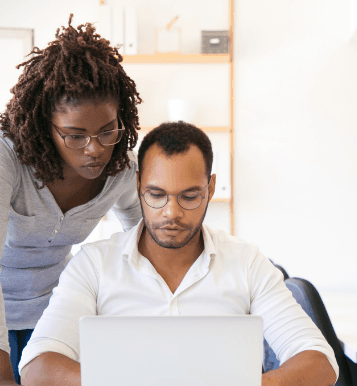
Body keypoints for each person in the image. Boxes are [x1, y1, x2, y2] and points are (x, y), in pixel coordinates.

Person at [18, 121, 339, 386]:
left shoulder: (247, 262)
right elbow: (37, 367)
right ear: (139, 184)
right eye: (157, 194)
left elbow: (319, 361)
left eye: (189, 196)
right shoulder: (94, 264)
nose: (171, 212)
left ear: (210, 189)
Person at [0, 15, 143, 386]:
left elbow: (145, 244)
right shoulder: (0, 152)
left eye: (107, 131)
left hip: (47, 302)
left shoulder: (121, 167)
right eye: (75, 135)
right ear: (46, 125)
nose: (95, 150)